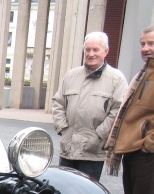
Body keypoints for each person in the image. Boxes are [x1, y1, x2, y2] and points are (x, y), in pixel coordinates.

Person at [104, 25, 154, 194]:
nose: (146, 48)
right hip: (133, 148)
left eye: (151, 43)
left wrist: (148, 144)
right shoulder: (145, 72)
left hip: (146, 152)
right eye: (143, 44)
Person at [52, 32, 128, 181]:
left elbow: (118, 111)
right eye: (87, 49)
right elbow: (58, 103)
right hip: (68, 149)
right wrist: (63, 128)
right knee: (64, 189)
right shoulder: (71, 75)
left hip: (92, 151)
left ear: (106, 51)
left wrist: (99, 135)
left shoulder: (116, 79)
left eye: (95, 50)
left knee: (86, 192)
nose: (91, 54)